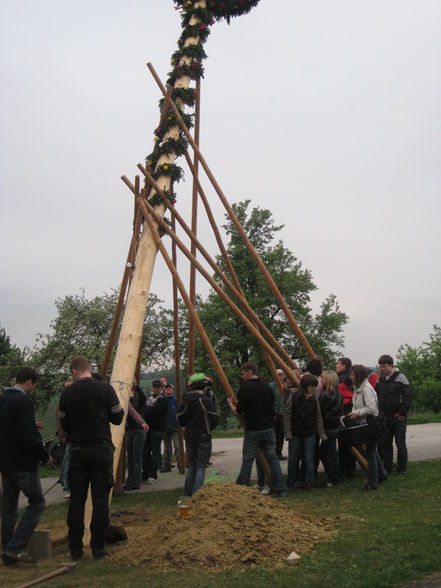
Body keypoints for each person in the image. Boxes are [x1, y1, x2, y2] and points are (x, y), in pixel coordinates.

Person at [59, 356, 124, 560]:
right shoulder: (105, 389)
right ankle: (98, 547)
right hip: (101, 450)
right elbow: (118, 416)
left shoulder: (67, 393)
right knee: (100, 500)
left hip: (78, 451)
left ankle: (76, 549)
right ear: (89, 369)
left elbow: (64, 424)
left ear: (74, 372)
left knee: (76, 501)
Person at [0, 367, 52, 566]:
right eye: (35, 384)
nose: (34, 388)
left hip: (5, 463)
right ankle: (15, 548)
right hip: (22, 464)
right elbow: (28, 437)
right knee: (37, 503)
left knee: (9, 507)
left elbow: (11, 428)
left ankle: (7, 551)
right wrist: (43, 455)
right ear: (29, 382)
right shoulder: (23, 401)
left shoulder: (3, 398)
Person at [227, 361, 288, 497]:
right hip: (268, 429)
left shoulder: (245, 389)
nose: (242, 377)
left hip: (254, 431)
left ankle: (241, 490)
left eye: (243, 374)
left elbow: (239, 411)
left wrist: (231, 405)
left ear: (250, 372)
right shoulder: (267, 387)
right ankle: (282, 489)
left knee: (247, 461)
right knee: (273, 459)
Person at [348, 364, 388, 491]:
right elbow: (356, 404)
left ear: (358, 375)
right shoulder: (358, 388)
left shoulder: (366, 389)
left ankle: (373, 482)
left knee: (370, 454)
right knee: (371, 451)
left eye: (352, 374)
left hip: (371, 424)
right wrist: (353, 412)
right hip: (364, 424)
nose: (350, 377)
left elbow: (372, 408)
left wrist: (357, 413)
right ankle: (381, 475)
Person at [177, 373, 218, 495]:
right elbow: (214, 418)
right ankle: (197, 494)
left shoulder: (186, 401)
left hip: (189, 436)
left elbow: (181, 419)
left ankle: (188, 493)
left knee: (192, 466)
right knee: (201, 467)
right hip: (203, 435)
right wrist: (209, 428)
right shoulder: (205, 400)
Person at [284, 374, 326, 490]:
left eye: (315, 386)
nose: (313, 388)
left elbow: (318, 416)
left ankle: (309, 482)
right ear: (305, 386)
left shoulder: (314, 398)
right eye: (312, 386)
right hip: (296, 432)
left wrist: (321, 433)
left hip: (310, 432)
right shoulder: (293, 397)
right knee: (293, 459)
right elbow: (287, 416)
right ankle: (291, 482)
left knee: (309, 459)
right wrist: (287, 432)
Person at [375, 354, 413, 475]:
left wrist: (402, 412)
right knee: (386, 444)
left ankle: (402, 468)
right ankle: (387, 468)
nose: (382, 369)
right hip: (385, 417)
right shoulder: (380, 379)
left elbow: (408, 396)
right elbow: (376, 396)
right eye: (380, 367)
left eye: (384, 366)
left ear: (391, 365)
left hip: (398, 417)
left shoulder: (400, 377)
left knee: (400, 444)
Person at [319, 370, 343, 486]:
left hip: (328, 426)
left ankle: (334, 477)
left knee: (328, 453)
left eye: (323, 379)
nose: (321, 380)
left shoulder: (325, 395)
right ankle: (334, 476)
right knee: (330, 452)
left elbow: (321, 412)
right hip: (335, 425)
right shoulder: (338, 393)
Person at [123, 379, 148, 491]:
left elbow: (143, 399)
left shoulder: (139, 396)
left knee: (136, 457)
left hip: (138, 429)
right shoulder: (125, 396)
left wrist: (136, 386)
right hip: (129, 430)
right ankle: (130, 480)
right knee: (131, 457)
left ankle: (135, 482)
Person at [143, 380, 168, 484]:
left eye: (158, 387)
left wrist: (148, 411)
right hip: (148, 429)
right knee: (145, 451)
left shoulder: (163, 399)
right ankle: (145, 473)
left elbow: (155, 412)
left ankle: (153, 474)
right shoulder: (149, 398)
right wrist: (149, 411)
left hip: (157, 429)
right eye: (154, 386)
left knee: (155, 452)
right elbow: (145, 411)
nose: (156, 388)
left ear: (161, 388)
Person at [336, 357, 356, 479]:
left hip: (345, 415)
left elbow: (342, 398)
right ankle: (350, 469)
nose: (336, 366)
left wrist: (346, 402)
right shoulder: (347, 379)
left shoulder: (342, 380)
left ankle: (345, 470)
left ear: (344, 366)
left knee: (344, 445)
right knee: (349, 444)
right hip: (349, 415)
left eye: (338, 364)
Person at [56, 380, 72, 499]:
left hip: (73, 435)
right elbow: (60, 421)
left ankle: (65, 481)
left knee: (68, 461)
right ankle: (66, 486)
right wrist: (62, 435)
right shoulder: (62, 401)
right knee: (67, 461)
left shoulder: (73, 398)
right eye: (66, 386)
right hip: (67, 436)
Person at [161, 383, 180, 473]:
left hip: (175, 427)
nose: (168, 390)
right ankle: (166, 466)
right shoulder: (162, 400)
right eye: (167, 388)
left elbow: (179, 412)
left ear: (173, 390)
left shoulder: (176, 400)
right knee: (167, 448)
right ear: (164, 390)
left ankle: (180, 465)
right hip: (165, 427)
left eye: (170, 388)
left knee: (177, 447)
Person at [269, 369, 286, 459]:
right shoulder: (271, 386)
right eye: (279, 374)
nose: (281, 376)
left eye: (282, 374)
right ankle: (272, 454)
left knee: (281, 435)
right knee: (273, 435)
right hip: (274, 413)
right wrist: (272, 414)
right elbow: (268, 401)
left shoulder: (286, 386)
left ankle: (279, 453)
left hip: (283, 413)